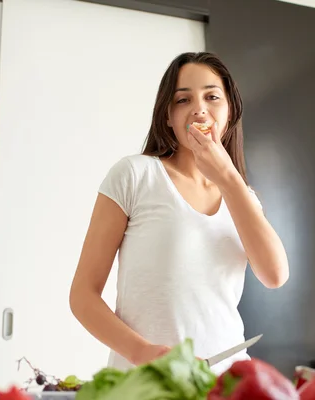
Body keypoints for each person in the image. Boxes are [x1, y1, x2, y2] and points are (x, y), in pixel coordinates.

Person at [69, 52, 289, 375]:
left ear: (229, 112)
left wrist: (228, 177)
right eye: (183, 100)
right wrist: (142, 352)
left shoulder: (243, 197)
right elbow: (82, 296)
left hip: (223, 384)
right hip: (146, 383)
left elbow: (275, 275)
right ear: (168, 117)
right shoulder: (134, 175)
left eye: (212, 96)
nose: (199, 108)